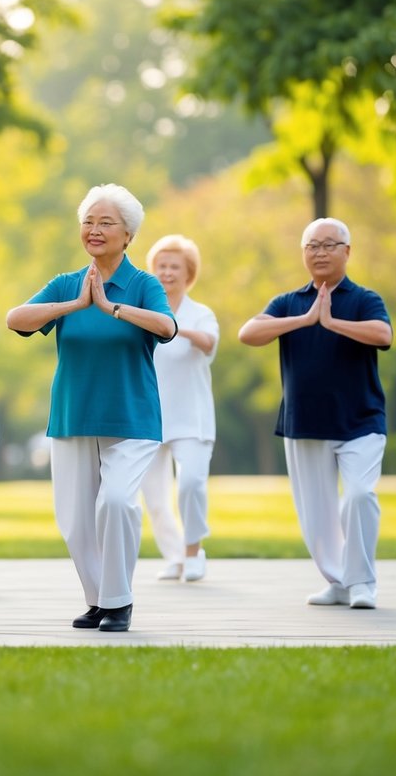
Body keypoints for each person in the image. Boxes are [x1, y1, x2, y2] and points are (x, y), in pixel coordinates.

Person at [7, 184, 176, 633]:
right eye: (88, 222)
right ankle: (99, 600)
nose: (94, 230)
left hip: (131, 416)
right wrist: (78, 304)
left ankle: (119, 602)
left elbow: (167, 326)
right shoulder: (66, 284)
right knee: (76, 520)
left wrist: (112, 307)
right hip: (74, 414)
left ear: (128, 236)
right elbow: (15, 319)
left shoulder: (143, 284)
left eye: (106, 223)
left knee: (117, 502)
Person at [238, 217, 392, 610]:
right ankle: (337, 581)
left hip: (361, 420)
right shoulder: (289, 301)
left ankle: (362, 583)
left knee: (359, 495)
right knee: (317, 515)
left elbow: (383, 335)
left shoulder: (364, 298)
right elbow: (249, 333)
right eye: (312, 246)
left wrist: (332, 322)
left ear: (347, 251)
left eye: (329, 245)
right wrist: (306, 321)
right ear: (303, 253)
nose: (320, 252)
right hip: (304, 422)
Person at [141, 234, 219, 582]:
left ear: (188, 273)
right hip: (149, 416)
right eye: (161, 266)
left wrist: (174, 328)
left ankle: (193, 550)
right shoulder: (143, 311)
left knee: (190, 484)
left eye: (175, 267)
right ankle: (175, 556)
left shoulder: (201, 314)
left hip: (192, 417)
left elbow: (207, 343)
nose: (167, 273)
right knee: (155, 499)